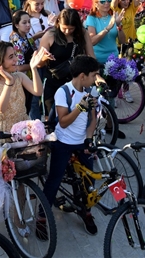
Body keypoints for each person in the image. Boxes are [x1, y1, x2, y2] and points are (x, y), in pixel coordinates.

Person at [42, 55, 101, 235]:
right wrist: (80, 107)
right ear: (82, 76)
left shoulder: (89, 91)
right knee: (54, 180)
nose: (95, 79)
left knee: (88, 180)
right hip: (63, 143)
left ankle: (86, 211)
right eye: (94, 75)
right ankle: (42, 216)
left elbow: (92, 120)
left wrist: (89, 139)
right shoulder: (64, 92)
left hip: (81, 142)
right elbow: (64, 122)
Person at [39, 9, 97, 117]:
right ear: (58, 23)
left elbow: (91, 56)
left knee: (75, 115)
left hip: (75, 82)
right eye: (64, 28)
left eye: (71, 29)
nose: (67, 32)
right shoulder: (50, 35)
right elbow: (38, 64)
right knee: (51, 117)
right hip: (53, 80)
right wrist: (44, 58)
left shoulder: (82, 34)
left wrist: (96, 75)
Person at [0, 41, 49, 132]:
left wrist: (33, 68)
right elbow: (1, 108)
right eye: (11, 57)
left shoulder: (19, 76)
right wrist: (8, 82)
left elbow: (38, 91)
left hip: (23, 128)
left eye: (14, 55)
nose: (16, 59)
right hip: (3, 131)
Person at [86, 0, 126, 65]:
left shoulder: (114, 16)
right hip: (97, 61)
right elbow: (92, 41)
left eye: (108, 0)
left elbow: (122, 41)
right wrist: (107, 28)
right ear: (96, 4)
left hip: (114, 60)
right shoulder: (91, 18)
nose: (106, 3)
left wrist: (119, 25)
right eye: (103, 1)